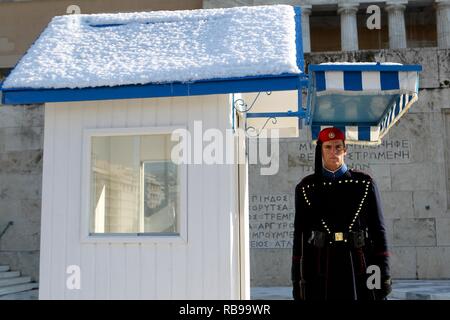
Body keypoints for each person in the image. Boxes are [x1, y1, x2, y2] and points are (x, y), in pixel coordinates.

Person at [291, 127, 392, 300]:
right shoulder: (306, 187)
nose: (333, 152)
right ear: (320, 151)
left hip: (358, 262)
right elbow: (300, 235)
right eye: (328, 147)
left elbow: (378, 230)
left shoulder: (364, 183)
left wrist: (384, 274)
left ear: (345, 150)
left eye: (338, 147)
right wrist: (297, 278)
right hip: (321, 264)